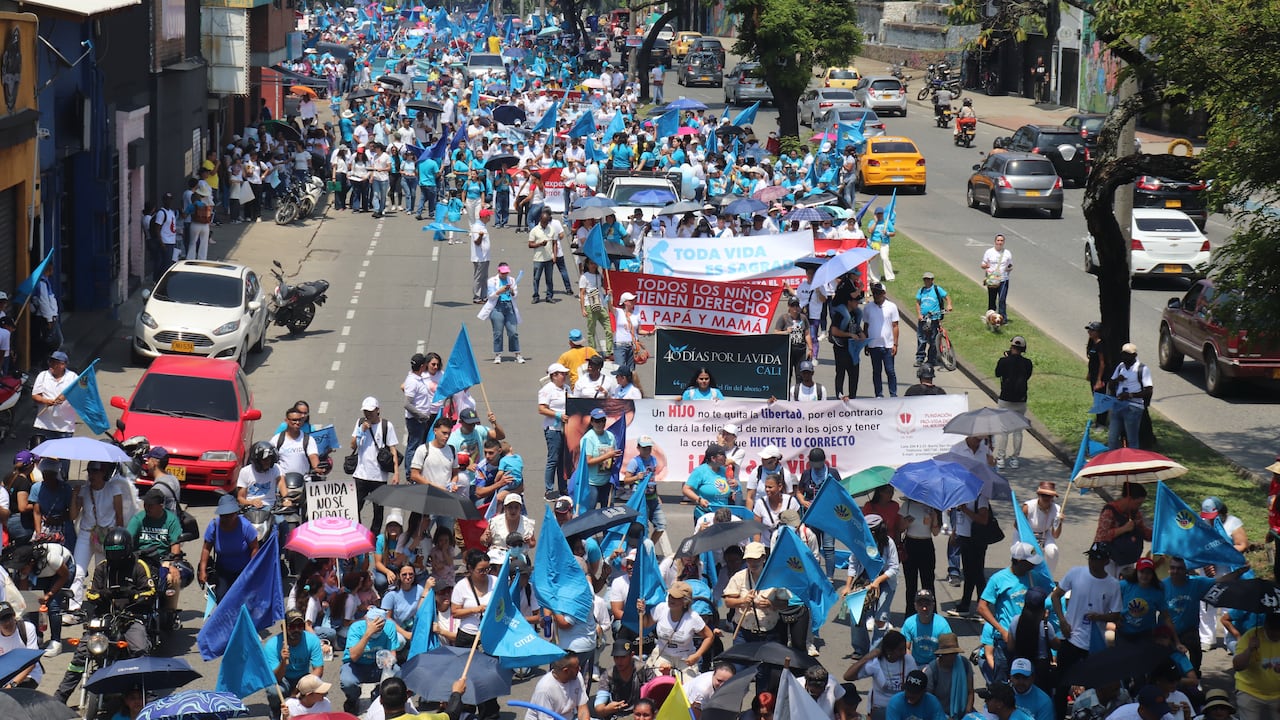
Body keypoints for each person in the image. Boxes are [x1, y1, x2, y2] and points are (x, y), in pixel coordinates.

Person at [54, 528, 153, 702]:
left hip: (130, 616)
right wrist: (103, 595)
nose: (115, 556)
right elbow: (91, 594)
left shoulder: (139, 566)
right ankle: (60, 697)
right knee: (82, 652)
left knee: (139, 648)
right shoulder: (102, 568)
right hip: (104, 618)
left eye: (118, 552)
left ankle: (147, 692)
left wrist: (133, 595)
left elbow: (149, 591)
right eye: (111, 552)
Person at [1050, 542, 1124, 720]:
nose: (1092, 562)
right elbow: (1056, 596)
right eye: (1091, 557)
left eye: (1097, 559)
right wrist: (1062, 621)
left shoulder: (1112, 584)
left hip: (1095, 643)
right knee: (1061, 686)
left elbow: (1116, 614)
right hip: (1071, 638)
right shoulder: (1075, 573)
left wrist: (1099, 617)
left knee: (1094, 686)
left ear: (1106, 561)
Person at [636, 581, 714, 672]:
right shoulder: (661, 608)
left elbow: (709, 636)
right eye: (670, 595)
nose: (671, 599)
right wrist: (642, 612)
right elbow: (646, 624)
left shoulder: (693, 617)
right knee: (656, 678)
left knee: (688, 681)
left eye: (676, 597)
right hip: (662, 654)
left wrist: (697, 655)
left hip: (685, 658)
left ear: (685, 601)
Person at [351, 397, 400, 535]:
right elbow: (353, 445)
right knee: (355, 508)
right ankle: (358, 534)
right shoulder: (360, 423)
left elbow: (393, 450)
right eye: (365, 411)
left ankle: (374, 537)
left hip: (379, 477)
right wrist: (361, 431)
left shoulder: (386, 426)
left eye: (371, 411)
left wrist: (396, 473)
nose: (368, 415)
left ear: (377, 410)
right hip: (361, 475)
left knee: (378, 511)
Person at [263, 609, 326, 720]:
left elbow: (318, 670)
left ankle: (310, 712)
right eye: (292, 627)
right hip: (283, 679)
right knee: (274, 692)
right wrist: (283, 662)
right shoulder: (272, 645)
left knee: (321, 690)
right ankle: (276, 710)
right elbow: (275, 678)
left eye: (300, 626)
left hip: (303, 677)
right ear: (284, 628)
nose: (296, 630)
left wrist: (300, 688)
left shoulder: (312, 640)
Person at [340, 606, 403, 714]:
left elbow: (392, 653)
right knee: (347, 682)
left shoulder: (389, 627)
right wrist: (368, 634)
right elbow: (354, 656)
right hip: (356, 665)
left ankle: (379, 693)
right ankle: (352, 699)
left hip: (378, 666)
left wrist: (389, 660)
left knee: (398, 674)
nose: (377, 628)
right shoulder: (356, 628)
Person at [844, 630, 918, 720]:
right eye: (900, 649)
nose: (904, 652)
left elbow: (917, 682)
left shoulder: (909, 660)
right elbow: (847, 676)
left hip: (902, 707)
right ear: (889, 651)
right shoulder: (876, 663)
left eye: (904, 648)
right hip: (880, 709)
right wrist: (866, 658)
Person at [199, 494, 259, 601]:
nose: (226, 518)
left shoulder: (246, 526)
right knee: (222, 598)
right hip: (223, 571)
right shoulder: (214, 526)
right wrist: (202, 570)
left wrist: (252, 570)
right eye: (223, 515)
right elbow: (206, 549)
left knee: (243, 600)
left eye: (229, 515)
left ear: (236, 513)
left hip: (243, 570)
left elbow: (255, 548)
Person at [724, 542, 781, 643]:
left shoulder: (775, 578)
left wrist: (771, 604)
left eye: (756, 559)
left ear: (763, 558)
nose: (753, 563)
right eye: (749, 560)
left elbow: (785, 604)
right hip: (743, 632)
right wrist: (743, 601)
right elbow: (728, 602)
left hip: (769, 632)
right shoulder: (739, 577)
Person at [1230, 608, 1280, 720]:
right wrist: (1249, 650)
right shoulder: (1251, 636)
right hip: (1249, 691)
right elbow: (1237, 666)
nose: (1276, 635)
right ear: (1266, 626)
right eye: (1273, 631)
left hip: (1277, 694)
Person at [994, 336, 1033, 470]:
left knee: (1004, 430)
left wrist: (1006, 358)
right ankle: (1015, 458)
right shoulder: (1027, 363)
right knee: (1018, 431)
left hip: (1005, 399)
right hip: (1021, 400)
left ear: (1012, 347)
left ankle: (1000, 458)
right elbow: (1027, 376)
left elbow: (997, 373)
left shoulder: (1004, 361)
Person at [1094, 482, 1150, 573]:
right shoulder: (1109, 511)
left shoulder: (1135, 514)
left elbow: (1143, 531)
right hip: (1108, 558)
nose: (1139, 506)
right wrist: (1123, 529)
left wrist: (1157, 533)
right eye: (1138, 503)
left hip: (1127, 558)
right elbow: (1101, 536)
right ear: (1129, 499)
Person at [1107, 343, 1153, 450]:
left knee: (1132, 440)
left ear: (1134, 355)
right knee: (1112, 438)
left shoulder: (1142, 368)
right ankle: (1112, 457)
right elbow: (1111, 384)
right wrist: (1118, 379)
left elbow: (1148, 390)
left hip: (1133, 407)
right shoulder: (1120, 367)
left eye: (1128, 355)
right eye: (1123, 354)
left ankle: (1133, 458)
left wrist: (1130, 395)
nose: (1124, 357)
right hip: (1118, 405)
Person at [32, 351, 79, 445]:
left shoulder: (73, 377)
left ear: (63, 365)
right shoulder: (43, 375)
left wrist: (67, 397)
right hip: (45, 424)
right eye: (51, 362)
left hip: (65, 425)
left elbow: (81, 394)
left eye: (56, 363)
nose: (52, 365)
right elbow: (35, 395)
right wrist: (45, 401)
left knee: (62, 452)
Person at [922, 634, 973, 720]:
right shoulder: (932, 671)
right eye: (948, 654)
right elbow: (928, 701)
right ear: (941, 654)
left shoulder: (964, 664)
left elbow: (970, 691)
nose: (952, 657)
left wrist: (968, 712)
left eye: (954, 653)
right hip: (939, 714)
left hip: (963, 713)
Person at [538, 363, 570, 498]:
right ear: (554, 375)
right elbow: (541, 409)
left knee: (563, 460)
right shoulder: (547, 389)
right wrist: (558, 415)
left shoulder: (567, 388)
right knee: (554, 459)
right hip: (553, 429)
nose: (565, 376)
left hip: (566, 429)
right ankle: (549, 489)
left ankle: (563, 488)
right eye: (562, 374)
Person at [526, 654, 591, 720]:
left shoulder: (577, 676)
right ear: (566, 671)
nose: (579, 669)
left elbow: (582, 709)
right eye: (576, 667)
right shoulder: (544, 689)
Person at [580, 408, 621, 510]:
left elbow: (613, 455)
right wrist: (607, 456)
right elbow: (588, 461)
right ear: (592, 422)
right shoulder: (588, 438)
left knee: (608, 512)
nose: (601, 423)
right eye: (597, 421)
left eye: (603, 420)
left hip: (607, 481)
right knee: (590, 512)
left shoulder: (610, 436)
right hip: (591, 482)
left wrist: (615, 458)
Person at [864, 284, 900, 398]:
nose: (876, 295)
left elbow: (895, 326)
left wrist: (895, 344)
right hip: (873, 345)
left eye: (878, 293)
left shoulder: (891, 307)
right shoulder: (868, 307)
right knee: (876, 371)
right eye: (874, 293)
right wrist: (865, 343)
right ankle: (878, 394)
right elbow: (866, 325)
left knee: (890, 371)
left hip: (888, 345)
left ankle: (893, 394)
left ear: (884, 293)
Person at [486, 263, 525, 364]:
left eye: (506, 273)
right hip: (497, 308)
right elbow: (490, 296)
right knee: (498, 332)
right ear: (498, 271)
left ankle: (517, 353)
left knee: (513, 332)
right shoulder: (492, 281)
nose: (504, 275)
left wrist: (512, 291)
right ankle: (498, 354)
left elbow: (515, 295)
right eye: (503, 273)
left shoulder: (511, 280)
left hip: (509, 307)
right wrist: (500, 291)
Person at [903, 591, 952, 666]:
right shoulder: (909, 623)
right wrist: (911, 664)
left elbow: (948, 650)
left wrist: (933, 667)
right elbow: (905, 648)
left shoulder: (942, 625)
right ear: (915, 606)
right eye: (920, 605)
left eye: (927, 604)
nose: (924, 608)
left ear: (933, 605)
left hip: (937, 663)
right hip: (916, 663)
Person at [683, 444, 733, 518]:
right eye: (723, 455)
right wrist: (699, 499)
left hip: (723, 515)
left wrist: (733, 487)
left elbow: (725, 489)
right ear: (713, 458)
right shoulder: (700, 471)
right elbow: (686, 489)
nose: (726, 458)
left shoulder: (724, 470)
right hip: (705, 514)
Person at [915, 273, 952, 368]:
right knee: (921, 339)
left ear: (932, 280)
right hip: (924, 319)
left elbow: (947, 297)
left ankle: (931, 359)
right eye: (925, 279)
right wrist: (919, 314)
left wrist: (949, 305)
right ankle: (920, 359)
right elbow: (918, 303)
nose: (927, 281)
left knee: (934, 340)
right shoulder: (921, 290)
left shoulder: (937, 289)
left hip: (934, 318)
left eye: (929, 279)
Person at [1022, 483, 1062, 573]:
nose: (1047, 498)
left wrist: (1060, 523)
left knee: (1053, 551)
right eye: (1044, 495)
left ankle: (1048, 576)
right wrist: (1028, 540)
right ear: (1038, 495)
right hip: (1027, 533)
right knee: (1028, 554)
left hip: (1045, 533)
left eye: (1050, 496)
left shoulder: (1057, 509)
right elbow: (1017, 525)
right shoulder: (1028, 507)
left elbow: (1055, 535)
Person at [0, 601, 41, 688]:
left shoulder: (27, 628)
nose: (7, 623)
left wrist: (12, 684)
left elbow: (32, 662)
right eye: (3, 620)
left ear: (14, 616)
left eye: (9, 618)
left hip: (28, 675)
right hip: (5, 675)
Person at [530, 208, 564, 304]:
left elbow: (555, 243)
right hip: (538, 259)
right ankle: (536, 296)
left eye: (546, 222)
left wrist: (555, 256)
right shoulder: (534, 230)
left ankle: (549, 296)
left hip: (549, 258)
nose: (545, 224)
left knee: (549, 279)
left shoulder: (551, 229)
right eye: (544, 222)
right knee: (536, 278)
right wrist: (540, 244)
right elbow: (530, 244)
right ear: (540, 220)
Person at [981, 235, 1012, 320]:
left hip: (1003, 279)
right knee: (992, 299)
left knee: (1002, 299)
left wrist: (1009, 269)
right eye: (998, 240)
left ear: (1004, 242)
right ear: (995, 241)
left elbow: (1010, 265)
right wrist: (986, 266)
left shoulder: (1007, 253)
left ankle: (1003, 318)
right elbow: (983, 264)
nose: (1000, 242)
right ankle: (991, 318)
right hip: (992, 280)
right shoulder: (989, 252)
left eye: (1001, 240)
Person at [1104, 685, 1178, 720]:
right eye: (1155, 713)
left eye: (1161, 712)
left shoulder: (1166, 717)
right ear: (1141, 709)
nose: (1158, 717)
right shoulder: (1120, 717)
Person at [866, 208, 895, 283]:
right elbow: (870, 231)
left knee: (884, 258)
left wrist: (887, 233)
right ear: (875, 215)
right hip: (874, 244)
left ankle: (890, 277)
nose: (880, 215)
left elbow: (893, 233)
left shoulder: (887, 222)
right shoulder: (872, 222)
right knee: (874, 261)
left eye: (881, 214)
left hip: (884, 243)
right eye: (878, 214)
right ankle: (875, 278)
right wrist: (875, 222)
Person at [471, 207, 493, 303]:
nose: (489, 217)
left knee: (484, 278)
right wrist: (480, 235)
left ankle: (484, 296)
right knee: (479, 278)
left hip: (485, 257)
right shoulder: (477, 227)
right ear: (484, 217)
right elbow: (477, 242)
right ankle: (477, 296)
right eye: (488, 216)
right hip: (479, 257)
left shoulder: (482, 226)